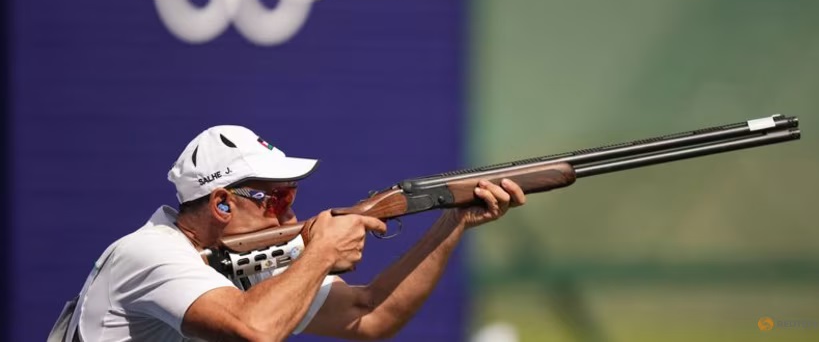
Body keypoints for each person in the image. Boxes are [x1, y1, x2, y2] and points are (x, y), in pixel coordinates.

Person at [62, 125, 526, 341]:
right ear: (222, 203)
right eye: (277, 199)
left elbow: (372, 316)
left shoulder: (236, 265)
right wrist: (319, 252)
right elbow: (253, 328)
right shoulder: (149, 254)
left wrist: (453, 222)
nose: (291, 212)